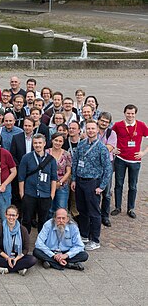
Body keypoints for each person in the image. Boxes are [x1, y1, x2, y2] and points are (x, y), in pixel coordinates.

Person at [71, 120, 111, 251]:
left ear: (97, 130)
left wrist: (102, 186)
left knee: (94, 212)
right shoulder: (81, 145)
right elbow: (75, 162)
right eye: (88, 128)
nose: (90, 131)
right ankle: (84, 235)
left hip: (93, 182)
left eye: (93, 129)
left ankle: (95, 239)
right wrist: (73, 179)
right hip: (80, 181)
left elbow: (107, 168)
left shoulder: (101, 148)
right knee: (82, 210)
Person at [111, 104, 148, 219]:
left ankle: (130, 208)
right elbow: (109, 138)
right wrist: (113, 149)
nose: (130, 115)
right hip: (121, 159)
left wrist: (143, 152)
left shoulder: (141, 125)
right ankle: (118, 207)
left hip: (135, 161)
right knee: (118, 184)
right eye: (128, 113)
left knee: (133, 186)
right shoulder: (118, 125)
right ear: (124, 113)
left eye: (132, 113)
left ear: (135, 114)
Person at [18, 133, 57, 233]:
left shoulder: (51, 160)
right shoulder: (26, 158)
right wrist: (22, 194)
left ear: (44, 144)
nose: (37, 145)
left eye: (40, 143)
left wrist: (51, 195)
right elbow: (21, 177)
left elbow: (53, 179)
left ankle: (41, 242)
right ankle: (24, 241)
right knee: (26, 219)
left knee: (43, 220)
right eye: (35, 143)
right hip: (29, 193)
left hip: (45, 194)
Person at [0, 205, 37, 275]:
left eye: (13, 215)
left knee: (33, 259)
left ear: (17, 216)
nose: (11, 217)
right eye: (9, 215)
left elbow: (26, 249)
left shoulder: (23, 230)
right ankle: (19, 268)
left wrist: (16, 259)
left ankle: (6, 269)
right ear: (5, 215)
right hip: (4, 256)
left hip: (18, 257)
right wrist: (8, 258)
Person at [47, 133, 72, 216]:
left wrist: (60, 182)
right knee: (49, 209)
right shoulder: (46, 152)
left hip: (62, 185)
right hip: (48, 185)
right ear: (52, 140)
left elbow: (68, 171)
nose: (58, 143)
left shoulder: (66, 154)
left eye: (60, 141)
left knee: (61, 208)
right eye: (56, 140)